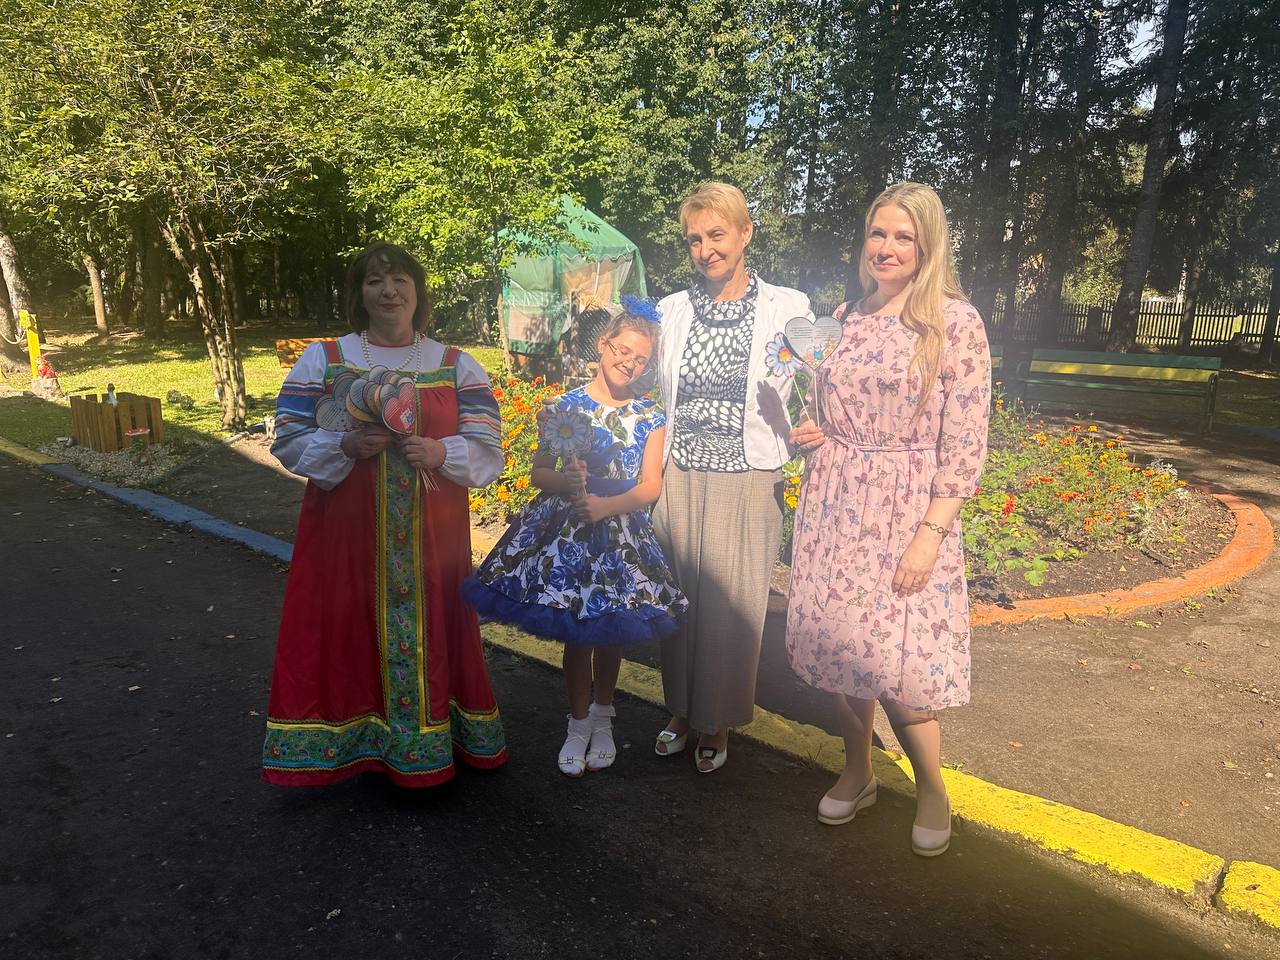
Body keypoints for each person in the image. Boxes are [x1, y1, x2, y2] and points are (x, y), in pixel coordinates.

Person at [785, 182, 990, 855]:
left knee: (903, 667)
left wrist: (930, 535)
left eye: (904, 237)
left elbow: (965, 444)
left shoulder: (954, 323)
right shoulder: (845, 317)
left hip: (907, 512)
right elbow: (831, 405)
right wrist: (813, 431)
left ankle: (932, 788)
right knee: (843, 651)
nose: (888, 248)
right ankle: (859, 770)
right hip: (836, 504)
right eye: (878, 233)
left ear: (928, 246)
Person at [261, 241, 508, 788]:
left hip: (433, 539)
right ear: (359, 294)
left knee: (433, 628)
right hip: (346, 539)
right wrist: (345, 446)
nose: (389, 291)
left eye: (399, 279)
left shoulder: (455, 364)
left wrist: (441, 452)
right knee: (347, 631)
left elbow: (488, 449)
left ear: (418, 291)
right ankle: (359, 744)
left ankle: (429, 746)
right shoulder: (326, 359)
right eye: (374, 281)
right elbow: (288, 436)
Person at [464, 298, 686, 777]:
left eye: (641, 359)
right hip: (567, 538)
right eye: (622, 351)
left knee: (610, 630)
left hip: (619, 536)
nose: (629, 363)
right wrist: (569, 483)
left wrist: (605, 505)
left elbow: (650, 486)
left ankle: (604, 717)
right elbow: (539, 472)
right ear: (603, 345)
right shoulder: (565, 407)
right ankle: (578, 722)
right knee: (576, 633)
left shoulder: (649, 416)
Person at [651, 181, 810, 773]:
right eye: (694, 239)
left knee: (732, 606)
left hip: (749, 474)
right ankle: (681, 709)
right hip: (680, 473)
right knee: (678, 601)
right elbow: (646, 384)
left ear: (745, 233)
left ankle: (716, 719)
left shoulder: (789, 307)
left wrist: (814, 423)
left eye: (716, 234)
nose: (705, 249)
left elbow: (826, 380)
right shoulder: (670, 309)